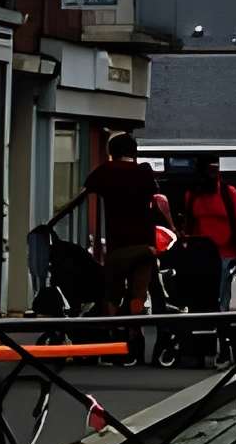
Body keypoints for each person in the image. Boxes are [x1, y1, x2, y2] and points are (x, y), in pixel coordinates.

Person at [53, 131, 163, 315]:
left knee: (112, 292)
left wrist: (55, 219)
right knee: (140, 289)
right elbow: (156, 199)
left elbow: (82, 195)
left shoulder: (105, 172)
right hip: (144, 244)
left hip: (118, 245)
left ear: (111, 152)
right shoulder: (143, 172)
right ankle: (136, 319)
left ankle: (113, 325)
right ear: (134, 152)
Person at [182, 156, 236, 309]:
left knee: (220, 296)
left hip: (224, 253)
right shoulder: (192, 195)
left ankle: (219, 324)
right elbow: (188, 225)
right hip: (201, 253)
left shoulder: (228, 193)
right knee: (202, 296)